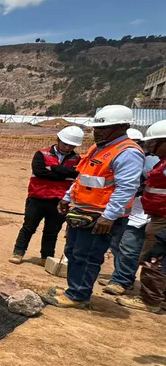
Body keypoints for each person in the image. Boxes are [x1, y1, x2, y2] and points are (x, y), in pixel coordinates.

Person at [46, 105, 144, 309]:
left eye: (104, 128)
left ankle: (79, 295)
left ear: (122, 127)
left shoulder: (127, 153)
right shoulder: (98, 148)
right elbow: (83, 178)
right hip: (82, 209)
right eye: (96, 128)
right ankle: (74, 288)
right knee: (73, 251)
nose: (97, 131)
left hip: (100, 215)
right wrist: (67, 197)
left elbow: (126, 188)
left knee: (87, 255)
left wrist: (109, 216)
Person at [9, 126, 83, 265]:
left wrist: (54, 168)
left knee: (52, 230)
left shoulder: (78, 159)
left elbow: (77, 174)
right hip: (38, 197)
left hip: (60, 200)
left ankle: (46, 257)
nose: (67, 148)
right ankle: (18, 252)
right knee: (28, 227)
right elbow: (39, 172)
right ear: (58, 140)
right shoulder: (41, 155)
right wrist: (64, 173)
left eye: (71, 146)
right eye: (65, 144)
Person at [113, 121, 166, 311]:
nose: (150, 148)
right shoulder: (162, 163)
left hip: (162, 220)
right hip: (156, 216)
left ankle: (149, 301)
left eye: (155, 143)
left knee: (154, 259)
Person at [103, 128, 158, 296]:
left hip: (141, 213)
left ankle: (122, 281)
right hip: (126, 210)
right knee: (117, 244)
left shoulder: (149, 162)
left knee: (129, 247)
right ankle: (120, 277)